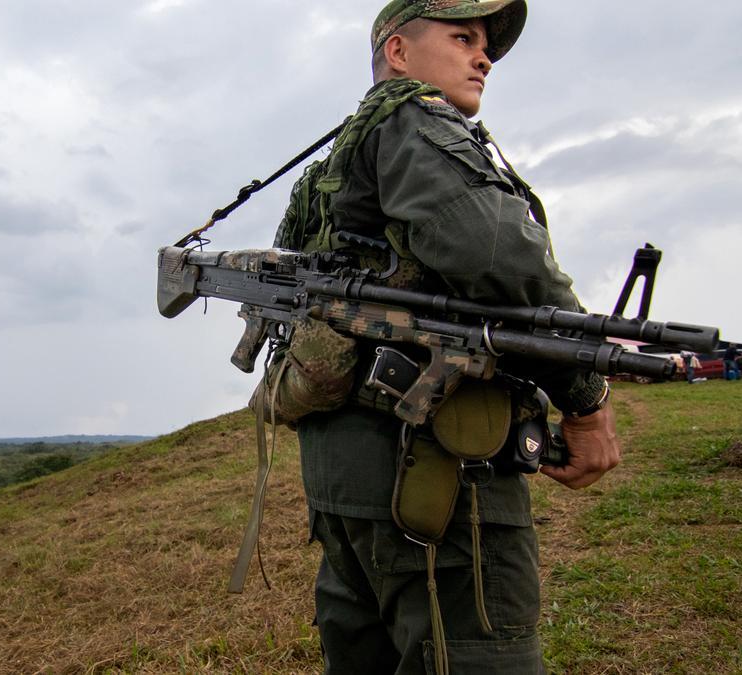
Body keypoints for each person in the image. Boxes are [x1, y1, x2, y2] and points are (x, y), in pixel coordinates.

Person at [255, 1, 621, 671]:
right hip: (432, 470)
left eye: (486, 44)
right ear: (398, 53)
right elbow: (502, 259)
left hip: (347, 475)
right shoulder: (412, 119)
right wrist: (586, 396)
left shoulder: (336, 161)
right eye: (463, 37)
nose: (484, 57)